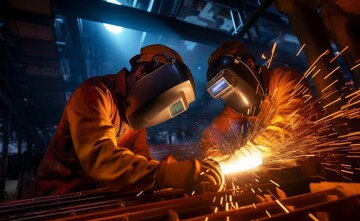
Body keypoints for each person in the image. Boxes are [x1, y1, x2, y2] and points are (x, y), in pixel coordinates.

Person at [26, 44, 223, 198]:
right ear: (142, 73)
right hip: (56, 199)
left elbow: (139, 158)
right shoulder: (95, 94)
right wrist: (164, 174)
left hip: (95, 196)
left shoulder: (136, 114)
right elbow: (101, 159)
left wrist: (171, 169)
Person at [200, 40, 321, 174]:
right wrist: (214, 159)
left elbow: (289, 125)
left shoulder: (286, 79)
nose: (235, 95)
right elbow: (213, 132)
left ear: (249, 64)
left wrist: (236, 160)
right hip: (291, 169)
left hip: (322, 163)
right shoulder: (238, 104)